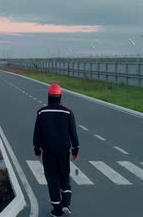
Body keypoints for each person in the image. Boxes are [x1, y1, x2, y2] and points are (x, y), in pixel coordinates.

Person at [33, 83, 80, 217]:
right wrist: (76, 150)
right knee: (64, 177)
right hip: (64, 151)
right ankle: (66, 203)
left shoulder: (42, 112)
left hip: (48, 152)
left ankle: (57, 210)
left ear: (49, 96)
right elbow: (73, 133)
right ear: (60, 96)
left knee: (52, 179)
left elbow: (37, 134)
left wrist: (37, 150)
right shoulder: (67, 112)